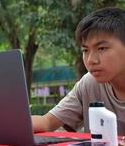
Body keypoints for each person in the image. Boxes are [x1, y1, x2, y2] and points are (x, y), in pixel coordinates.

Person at [32, 7, 125, 135]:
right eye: (85, 50)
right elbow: (47, 122)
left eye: (102, 48)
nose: (91, 60)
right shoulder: (89, 84)